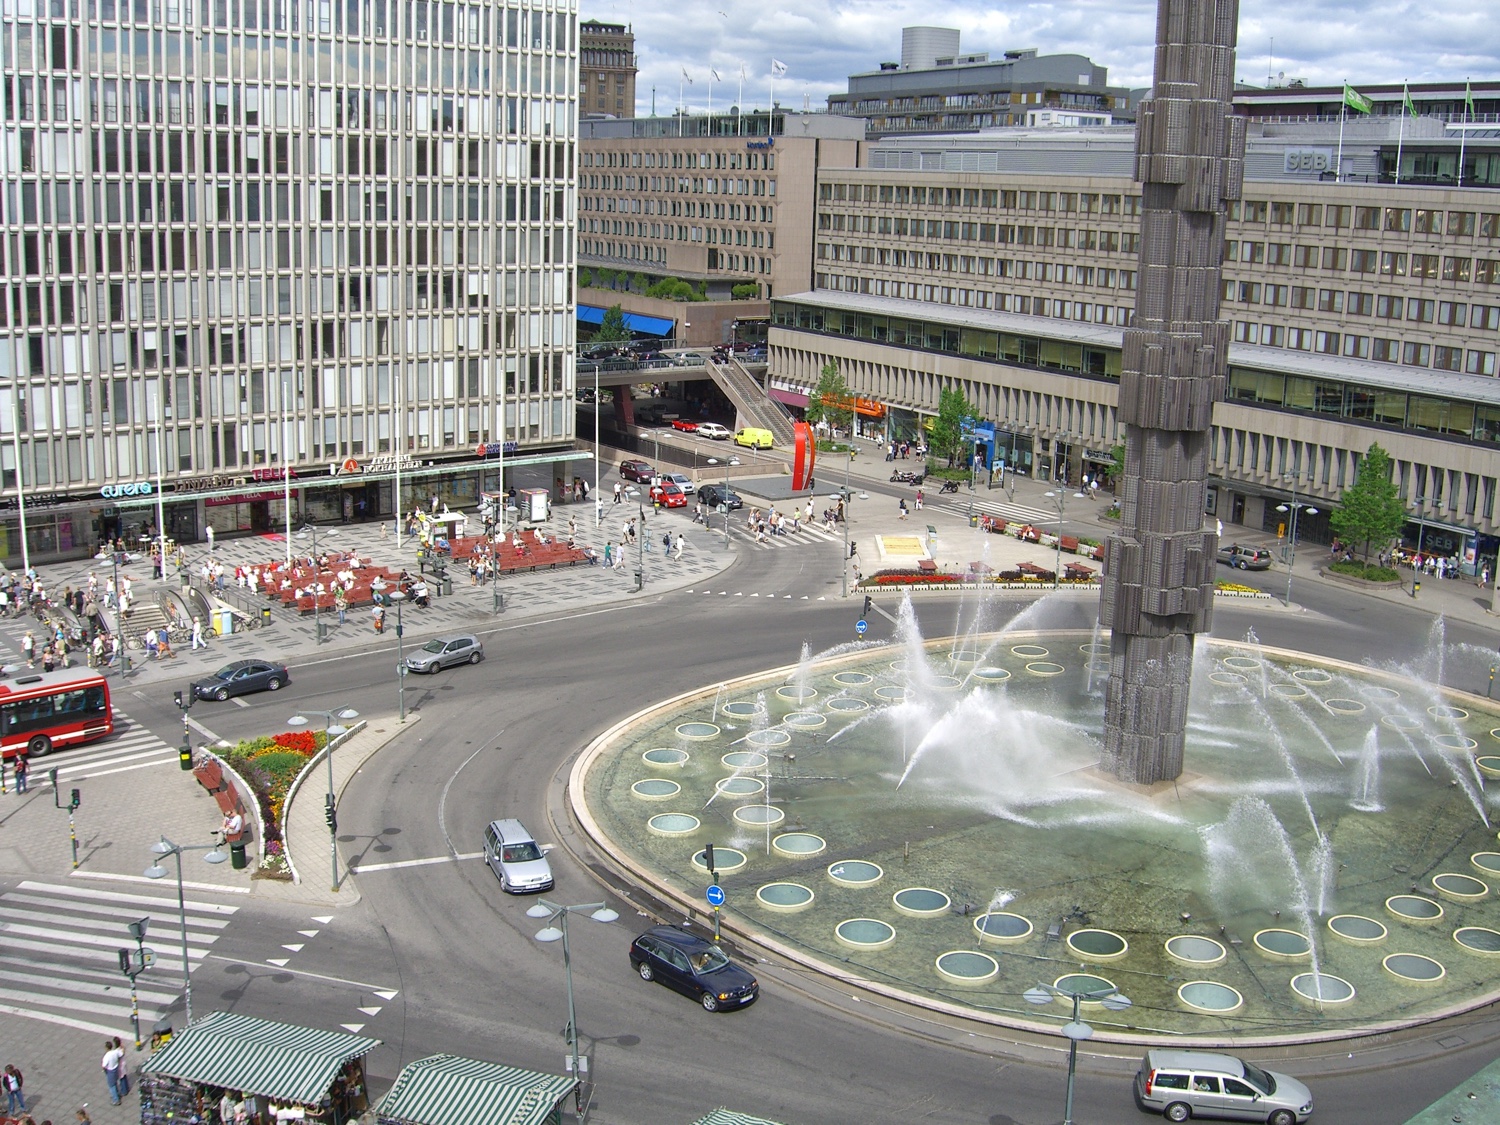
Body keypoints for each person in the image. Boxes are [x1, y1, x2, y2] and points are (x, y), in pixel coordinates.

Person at [103, 1037, 124, 1104]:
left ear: (106, 1048)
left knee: (111, 1085)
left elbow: (104, 1066)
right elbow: (121, 1054)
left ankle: (116, 1100)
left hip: (110, 1071)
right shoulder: (115, 1052)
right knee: (115, 1083)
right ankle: (117, 1094)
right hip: (116, 1068)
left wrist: (105, 1071)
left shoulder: (106, 1056)